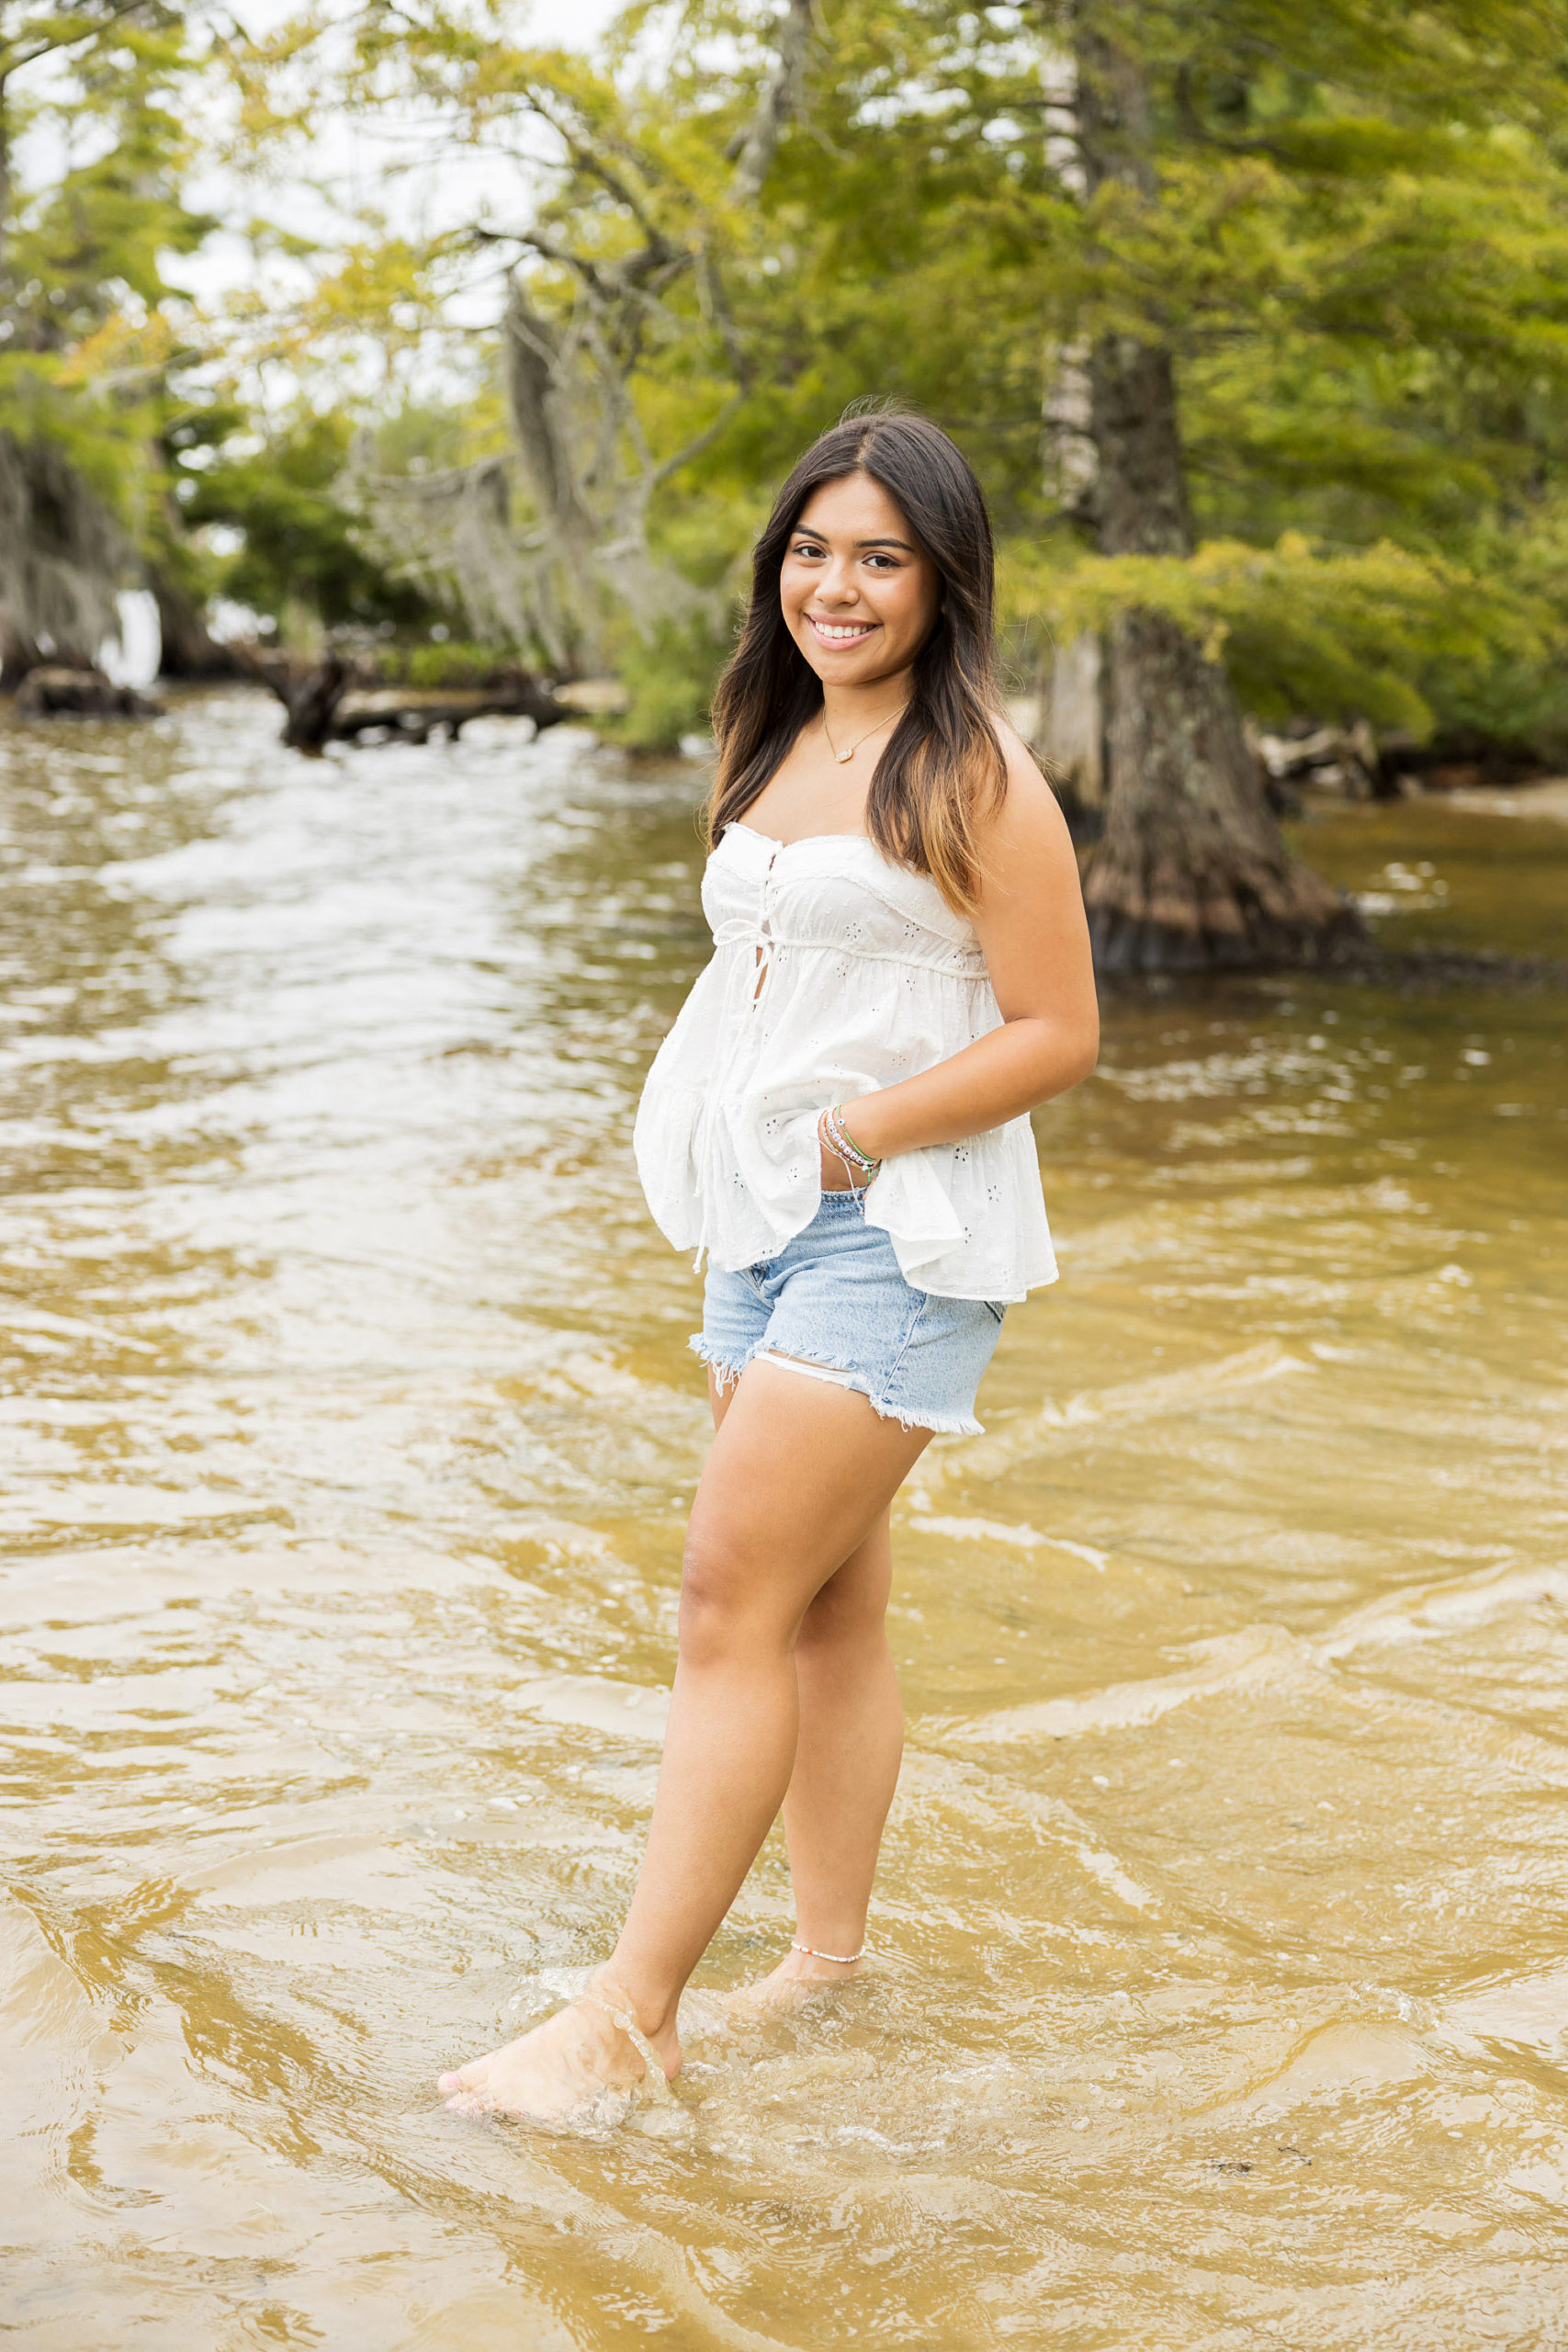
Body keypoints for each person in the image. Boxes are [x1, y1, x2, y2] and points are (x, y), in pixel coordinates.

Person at [439, 408, 1099, 2121]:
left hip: (902, 1224)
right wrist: (720, 1148)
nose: (839, 584)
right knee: (824, 1609)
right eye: (813, 549)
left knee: (723, 1596)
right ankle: (826, 1965)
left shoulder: (975, 774)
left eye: (881, 555)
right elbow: (765, 979)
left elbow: (1058, 1032)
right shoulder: (766, 723)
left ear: (944, 578)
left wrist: (850, 1137)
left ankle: (629, 2013)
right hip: (762, 1219)